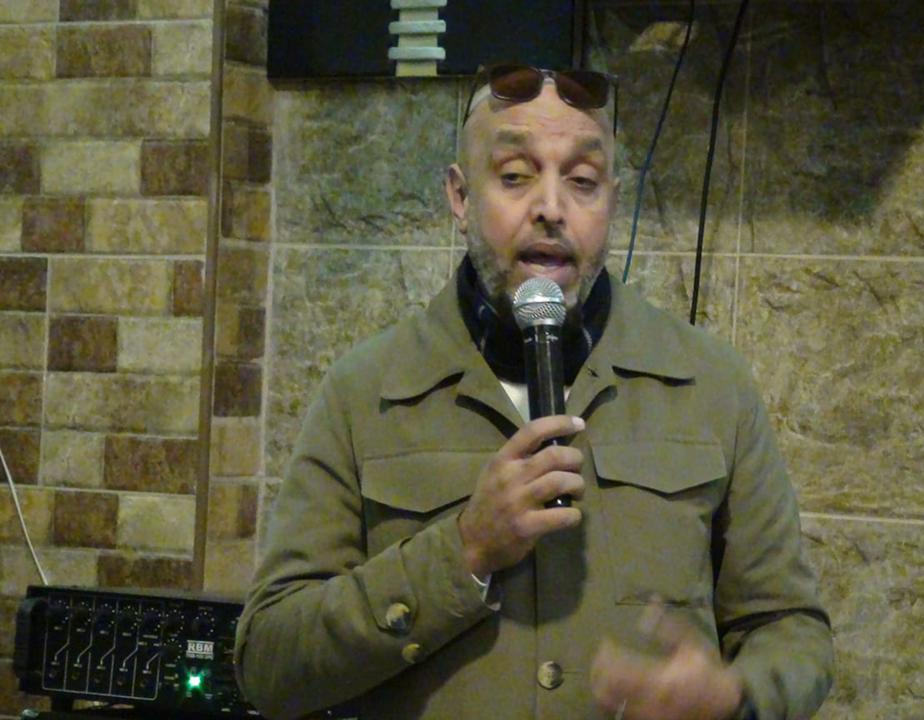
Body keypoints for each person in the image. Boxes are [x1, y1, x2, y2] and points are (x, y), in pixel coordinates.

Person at [234, 64, 833, 720]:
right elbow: (269, 663)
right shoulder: (365, 393)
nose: (551, 207)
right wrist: (464, 551)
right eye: (516, 176)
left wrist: (736, 698)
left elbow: (793, 631)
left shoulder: (712, 386)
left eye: (583, 180)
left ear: (612, 202)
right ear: (460, 197)